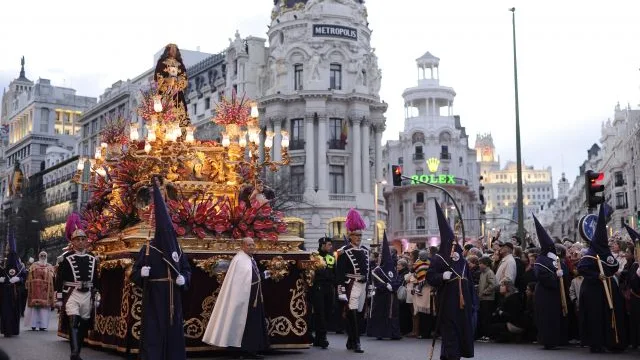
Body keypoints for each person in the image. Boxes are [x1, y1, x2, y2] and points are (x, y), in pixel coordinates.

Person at [131, 178, 192, 360]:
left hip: (173, 295)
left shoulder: (177, 250)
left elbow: (187, 270)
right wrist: (140, 274)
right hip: (155, 296)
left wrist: (184, 279)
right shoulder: (148, 249)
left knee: (173, 328)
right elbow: (134, 274)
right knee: (154, 328)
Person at [203, 237, 270, 359]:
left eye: (253, 245)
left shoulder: (250, 259)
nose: (252, 247)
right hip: (243, 300)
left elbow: (252, 277)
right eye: (249, 245)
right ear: (243, 246)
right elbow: (239, 282)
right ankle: (241, 351)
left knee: (252, 325)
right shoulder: (239, 260)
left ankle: (251, 350)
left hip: (252, 299)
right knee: (240, 324)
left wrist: (262, 276)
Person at [426, 201, 476, 360]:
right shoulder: (438, 259)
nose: (454, 246)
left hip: (463, 303)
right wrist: (442, 277)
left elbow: (468, 279)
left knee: (461, 331)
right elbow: (430, 277)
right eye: (451, 243)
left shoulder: (462, 260)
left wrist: (473, 301)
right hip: (447, 301)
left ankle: (449, 355)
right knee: (450, 330)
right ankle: (451, 356)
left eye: (455, 243)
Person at [577, 205, 627, 353]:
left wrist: (609, 271)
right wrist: (596, 275)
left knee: (611, 314)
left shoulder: (606, 252)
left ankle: (612, 341)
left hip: (609, 288)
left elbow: (615, 266)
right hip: (594, 290)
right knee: (596, 316)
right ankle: (596, 343)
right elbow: (582, 268)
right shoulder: (590, 253)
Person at [55, 215, 100, 360]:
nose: (80, 242)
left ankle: (77, 349)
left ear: (86, 241)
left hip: (88, 294)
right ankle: (74, 353)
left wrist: (98, 293)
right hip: (71, 293)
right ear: (72, 242)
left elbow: (96, 278)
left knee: (84, 324)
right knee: (73, 321)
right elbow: (59, 279)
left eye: (83, 239)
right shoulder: (65, 258)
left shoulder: (93, 258)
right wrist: (59, 298)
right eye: (77, 240)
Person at [336, 208, 369, 353]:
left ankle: (350, 339)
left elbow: (368, 270)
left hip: (363, 285)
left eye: (360, 235)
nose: (359, 238)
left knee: (359, 313)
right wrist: (341, 290)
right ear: (350, 236)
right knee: (352, 312)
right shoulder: (344, 252)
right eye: (356, 235)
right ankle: (356, 342)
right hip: (350, 285)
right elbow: (339, 273)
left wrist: (369, 285)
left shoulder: (365, 251)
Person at [532, 214, 568, 349]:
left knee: (555, 317)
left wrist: (561, 274)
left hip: (555, 294)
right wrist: (555, 277)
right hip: (545, 293)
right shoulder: (541, 260)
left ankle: (557, 339)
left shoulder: (556, 260)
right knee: (546, 318)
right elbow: (541, 275)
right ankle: (548, 341)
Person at [367, 231, 402, 340]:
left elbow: (397, 279)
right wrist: (385, 286)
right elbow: (376, 282)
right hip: (381, 296)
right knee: (381, 314)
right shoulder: (377, 270)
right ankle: (380, 333)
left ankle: (393, 333)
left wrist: (393, 286)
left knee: (393, 314)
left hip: (392, 296)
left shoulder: (393, 269)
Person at [154, 43, 189, 127]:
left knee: (180, 113)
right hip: (165, 92)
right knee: (165, 113)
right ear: (167, 51)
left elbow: (184, 78)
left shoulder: (180, 65)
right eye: (171, 49)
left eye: (175, 49)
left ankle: (181, 130)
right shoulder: (162, 63)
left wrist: (177, 81)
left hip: (177, 93)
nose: (173, 51)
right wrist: (168, 80)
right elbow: (158, 77)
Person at [0, 229, 26, 337]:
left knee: (15, 312)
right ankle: (7, 330)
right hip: (5, 292)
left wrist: (19, 280)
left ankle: (14, 330)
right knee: (6, 312)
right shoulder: (2, 267)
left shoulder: (20, 268)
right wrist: (4, 280)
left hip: (16, 293)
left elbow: (24, 277)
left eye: (13, 255)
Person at [311, 237, 335, 349]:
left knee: (328, 312)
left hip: (329, 288)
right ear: (322, 245)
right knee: (319, 312)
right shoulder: (315, 257)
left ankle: (318, 337)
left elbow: (334, 272)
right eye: (329, 244)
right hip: (318, 287)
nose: (330, 247)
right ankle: (322, 337)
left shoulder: (332, 257)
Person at [25, 251, 55, 331]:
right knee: (34, 309)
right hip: (35, 289)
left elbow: (53, 275)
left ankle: (43, 325)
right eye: (41, 255)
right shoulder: (34, 265)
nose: (43, 256)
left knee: (44, 309)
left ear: (46, 256)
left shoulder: (49, 266)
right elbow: (29, 274)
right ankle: (33, 324)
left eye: (44, 255)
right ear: (39, 256)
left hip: (45, 290)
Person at [489, 278, 525, 343]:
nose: (500, 287)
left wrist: (500, 312)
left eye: (502, 285)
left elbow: (512, 315)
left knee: (492, 327)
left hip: (515, 323)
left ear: (508, 287)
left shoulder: (512, 299)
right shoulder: (512, 297)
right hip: (515, 322)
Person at [624, 224, 640, 349]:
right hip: (636, 296)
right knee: (635, 320)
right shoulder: (634, 266)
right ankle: (635, 342)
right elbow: (631, 282)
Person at [477, 256, 496, 342]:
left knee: (486, 317)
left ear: (486, 264)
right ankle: (484, 334)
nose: (479, 265)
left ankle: (487, 335)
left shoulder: (489, 273)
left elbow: (493, 285)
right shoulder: (482, 273)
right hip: (482, 298)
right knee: (483, 317)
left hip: (488, 298)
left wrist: (484, 292)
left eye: (481, 263)